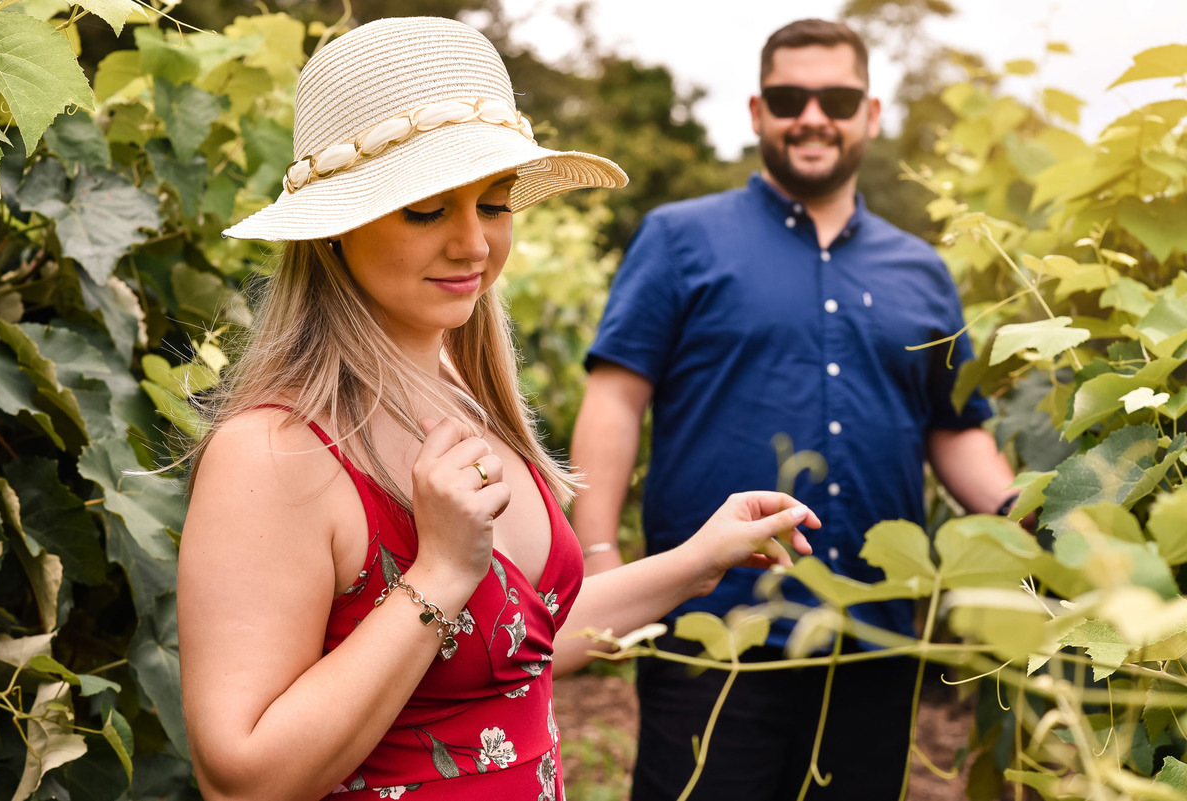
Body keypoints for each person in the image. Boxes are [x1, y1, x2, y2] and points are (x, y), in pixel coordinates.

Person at [176, 16, 821, 801]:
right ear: (335, 229)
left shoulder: (459, 394)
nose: (474, 244)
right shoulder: (278, 450)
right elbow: (241, 780)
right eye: (427, 209)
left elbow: (525, 638)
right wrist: (441, 571)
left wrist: (700, 558)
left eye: (494, 202)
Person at [569, 17, 1021, 801]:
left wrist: (1025, 514)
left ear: (870, 115)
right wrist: (603, 559)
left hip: (873, 634)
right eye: (789, 97)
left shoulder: (921, 270)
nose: (813, 114)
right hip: (712, 629)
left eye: (837, 97)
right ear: (756, 112)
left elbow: (955, 428)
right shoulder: (680, 239)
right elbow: (616, 399)